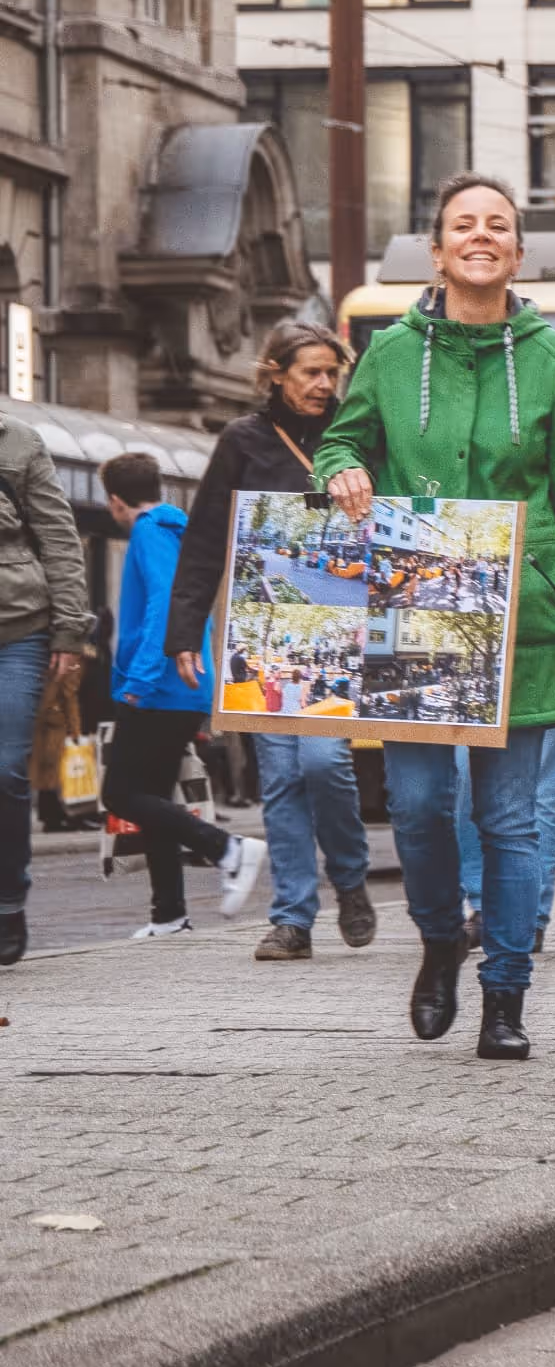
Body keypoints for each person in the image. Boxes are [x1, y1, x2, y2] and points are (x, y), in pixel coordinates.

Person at [318, 175, 555, 1058]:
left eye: (498, 226)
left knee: (512, 822)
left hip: (530, 623)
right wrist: (339, 469)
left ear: (516, 253)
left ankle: (505, 996)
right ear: (439, 251)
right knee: (415, 806)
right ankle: (442, 938)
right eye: (463, 225)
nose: (481, 236)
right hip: (416, 615)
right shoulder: (390, 354)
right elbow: (344, 437)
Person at [168, 321, 372, 960]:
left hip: (342, 626)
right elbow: (204, 539)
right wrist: (184, 630)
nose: (323, 384)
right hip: (263, 627)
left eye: (331, 373)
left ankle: (350, 874)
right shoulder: (243, 441)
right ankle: (292, 920)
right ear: (275, 373)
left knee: (325, 763)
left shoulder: (358, 433)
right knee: (281, 778)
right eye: (310, 372)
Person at [104, 452, 268, 936]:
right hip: (185, 685)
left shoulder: (149, 532)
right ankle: (169, 915)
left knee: (120, 793)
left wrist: (139, 681)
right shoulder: (177, 529)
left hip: (160, 687)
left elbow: (162, 603)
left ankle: (228, 849)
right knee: (153, 795)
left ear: (115, 501)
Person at [0, 401, 87, 968]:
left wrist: (70, 630)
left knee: (5, 765)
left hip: (19, 629)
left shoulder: (18, 441)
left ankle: (8, 900)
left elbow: (59, 537)